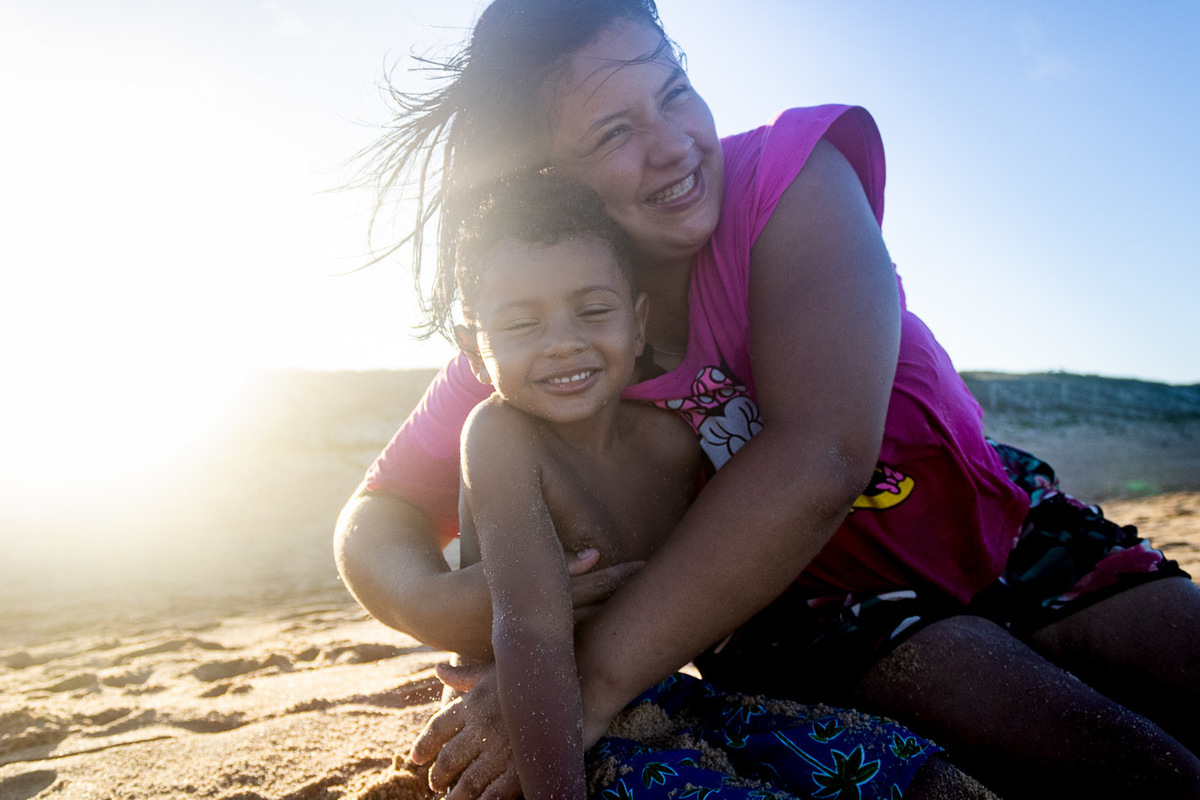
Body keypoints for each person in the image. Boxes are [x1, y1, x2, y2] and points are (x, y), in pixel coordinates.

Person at [333, 1, 1200, 797]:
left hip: (996, 521)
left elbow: (822, 454)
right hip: (810, 621)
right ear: (546, 178)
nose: (672, 144)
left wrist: (588, 682)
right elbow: (378, 513)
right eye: (614, 132)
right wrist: (441, 603)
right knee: (1127, 764)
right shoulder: (557, 337)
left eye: (674, 93)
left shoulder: (787, 180)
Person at [447, 171, 961, 800]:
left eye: (594, 311)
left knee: (895, 761)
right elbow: (529, 627)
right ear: (474, 349)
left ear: (638, 324)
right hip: (528, 715)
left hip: (659, 689)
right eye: (522, 325)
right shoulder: (499, 436)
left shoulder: (676, 441)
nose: (563, 343)